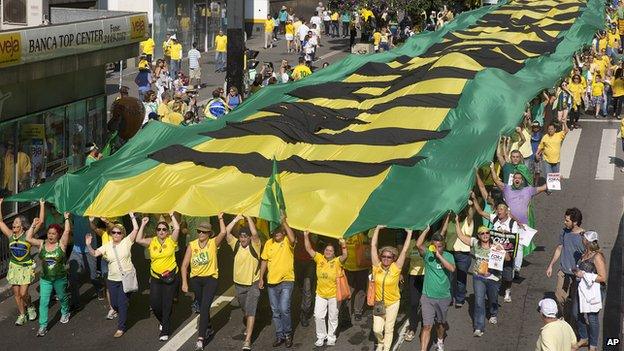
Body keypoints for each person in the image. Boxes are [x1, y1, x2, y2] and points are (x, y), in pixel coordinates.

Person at [85, 214, 139, 337]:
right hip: (112, 279)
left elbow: (135, 229)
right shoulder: (107, 246)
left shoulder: (127, 242)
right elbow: (94, 253)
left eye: (118, 233)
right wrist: (88, 245)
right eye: (113, 232)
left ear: (123, 234)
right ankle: (122, 306)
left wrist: (132, 216)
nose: (116, 234)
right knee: (114, 304)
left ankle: (121, 327)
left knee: (122, 303)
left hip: (125, 278)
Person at [454, 221, 509, 337]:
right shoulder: (475, 243)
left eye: (487, 233)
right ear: (478, 235)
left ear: (490, 234)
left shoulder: (495, 245)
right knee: (479, 301)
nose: (485, 235)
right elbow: (461, 236)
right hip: (478, 277)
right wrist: (457, 222)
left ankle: (493, 313)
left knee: (493, 298)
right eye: (482, 233)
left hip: (493, 278)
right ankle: (478, 327)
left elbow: (508, 259)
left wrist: (502, 250)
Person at [181, 215, 227, 351]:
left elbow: (223, 232)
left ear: (209, 234)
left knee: (205, 307)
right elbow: (184, 266)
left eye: (203, 232)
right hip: (195, 280)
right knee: (202, 306)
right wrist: (184, 282)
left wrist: (220, 218)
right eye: (199, 231)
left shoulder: (213, 243)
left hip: (210, 279)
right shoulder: (192, 245)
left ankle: (200, 339)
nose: (200, 233)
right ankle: (208, 327)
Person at [135, 213, 181, 341]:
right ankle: (163, 321)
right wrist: (143, 224)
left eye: (164, 229)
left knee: (167, 304)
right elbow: (138, 240)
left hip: (170, 277)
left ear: (167, 232)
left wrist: (172, 216)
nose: (161, 231)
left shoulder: (171, 240)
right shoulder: (152, 241)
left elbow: (177, 229)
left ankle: (165, 330)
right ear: (156, 231)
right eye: (159, 229)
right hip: (156, 277)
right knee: (155, 304)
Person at [26, 213, 72, 337]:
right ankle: (42, 326)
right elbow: (28, 239)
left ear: (58, 235)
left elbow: (67, 231)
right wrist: (33, 225)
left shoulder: (61, 245)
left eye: (53, 234)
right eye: (49, 233)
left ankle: (65, 311)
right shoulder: (42, 244)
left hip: (59, 278)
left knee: (62, 297)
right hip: (45, 279)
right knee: (44, 302)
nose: (50, 235)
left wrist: (67, 217)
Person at [0, 198, 44, 326]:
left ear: (22, 226)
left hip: (26, 267)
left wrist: (41, 204)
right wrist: (0, 205)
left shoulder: (27, 236)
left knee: (24, 293)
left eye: (16, 225)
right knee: (16, 294)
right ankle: (22, 314)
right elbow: (0, 222)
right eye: (13, 225)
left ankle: (30, 305)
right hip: (14, 267)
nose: (14, 227)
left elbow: (40, 222)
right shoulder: (10, 235)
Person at [371, 225, 412, 351]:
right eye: (384, 256)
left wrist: (409, 233)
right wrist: (377, 229)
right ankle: (380, 342)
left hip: (393, 303)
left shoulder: (396, 268)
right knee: (377, 329)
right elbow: (373, 246)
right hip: (379, 303)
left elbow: (404, 251)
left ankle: (386, 348)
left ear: (393, 258)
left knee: (389, 328)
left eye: (389, 257)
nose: (386, 259)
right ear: (381, 256)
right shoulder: (376, 267)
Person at [302, 231, 347, 347]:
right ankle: (321, 336)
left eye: (331, 251)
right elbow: (308, 248)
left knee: (333, 317)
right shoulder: (319, 258)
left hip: (334, 295)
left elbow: (345, 256)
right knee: (318, 316)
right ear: (324, 251)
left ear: (334, 253)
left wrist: (343, 244)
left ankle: (331, 337)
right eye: (327, 250)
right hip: (321, 294)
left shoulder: (337, 261)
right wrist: (306, 236)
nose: (328, 252)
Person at [416, 224, 456, 351]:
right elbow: (418, 244)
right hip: (427, 296)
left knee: (440, 324)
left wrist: (439, 256)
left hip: (443, 297)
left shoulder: (449, 256)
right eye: (435, 246)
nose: (437, 248)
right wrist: (426, 230)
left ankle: (439, 341)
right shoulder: (428, 255)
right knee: (427, 326)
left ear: (444, 246)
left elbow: (452, 268)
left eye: (440, 246)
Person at [472, 195, 519, 303]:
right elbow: (480, 212)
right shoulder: (495, 218)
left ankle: (507, 290)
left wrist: (508, 234)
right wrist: (475, 198)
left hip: (507, 254)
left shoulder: (513, 223)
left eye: (501, 209)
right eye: (498, 209)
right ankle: (492, 296)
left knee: (507, 276)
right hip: (495, 253)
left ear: (507, 211)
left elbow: (515, 239)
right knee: (493, 274)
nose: (499, 211)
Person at [225, 215, 262, 351]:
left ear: (249, 238)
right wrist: (236, 219)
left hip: (253, 284)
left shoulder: (255, 246)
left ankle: (247, 340)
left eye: (245, 237)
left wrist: (248, 217)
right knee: (245, 310)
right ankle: (250, 323)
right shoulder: (236, 245)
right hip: (239, 284)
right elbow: (226, 232)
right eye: (241, 236)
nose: (243, 239)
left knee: (251, 311)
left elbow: (255, 233)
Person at [259, 217, 296, 348]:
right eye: (275, 232)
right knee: (275, 310)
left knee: (284, 308)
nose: (277, 233)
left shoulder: (287, 241)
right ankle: (279, 335)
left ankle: (287, 334)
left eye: (279, 231)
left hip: (286, 281)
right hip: (271, 283)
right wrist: (261, 277)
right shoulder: (269, 243)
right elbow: (264, 260)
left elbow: (292, 238)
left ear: (283, 232)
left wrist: (284, 222)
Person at [545, 208, 586, 321]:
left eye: (567, 220)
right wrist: (551, 265)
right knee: (559, 297)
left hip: (577, 275)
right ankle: (564, 318)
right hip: (564, 272)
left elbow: (588, 256)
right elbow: (559, 248)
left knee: (574, 300)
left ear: (575, 222)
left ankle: (572, 322)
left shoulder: (583, 237)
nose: (565, 222)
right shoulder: (564, 232)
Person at [573, 231, 606, 350]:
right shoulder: (584, 253)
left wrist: (585, 275)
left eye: (583, 238)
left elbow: (603, 277)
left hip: (594, 292)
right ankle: (584, 337)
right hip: (581, 289)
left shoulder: (597, 256)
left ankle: (593, 345)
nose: (581, 240)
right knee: (576, 313)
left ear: (587, 241)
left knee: (592, 318)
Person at [340, 231, 370, 324]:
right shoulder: (344, 232)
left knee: (361, 289)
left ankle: (358, 311)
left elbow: (369, 244)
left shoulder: (363, 231)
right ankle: (347, 313)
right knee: (348, 290)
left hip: (362, 266)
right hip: (347, 267)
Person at [294, 230, 315, 327]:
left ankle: (304, 313)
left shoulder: (313, 227)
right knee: (300, 289)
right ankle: (303, 305)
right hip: (297, 262)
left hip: (309, 262)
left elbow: (316, 240)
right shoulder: (293, 227)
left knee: (307, 288)